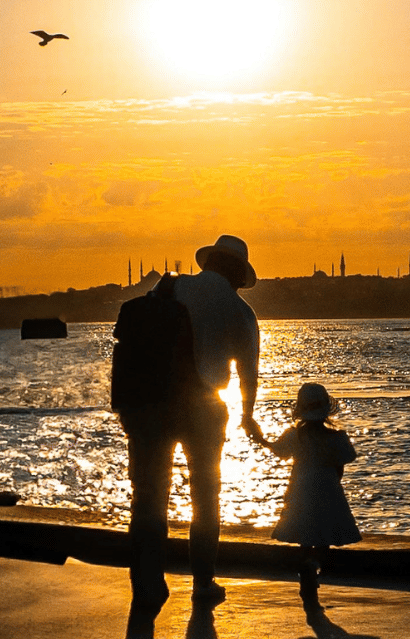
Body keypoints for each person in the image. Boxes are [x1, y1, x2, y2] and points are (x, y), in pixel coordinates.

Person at [121, 234, 261, 612]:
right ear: (237, 273)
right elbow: (249, 375)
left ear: (209, 262)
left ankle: (147, 584)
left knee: (148, 497)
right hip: (202, 408)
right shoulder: (240, 311)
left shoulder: (167, 286)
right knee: (205, 497)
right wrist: (248, 417)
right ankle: (203, 582)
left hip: (149, 404)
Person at [248, 382, 361, 614]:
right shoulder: (336, 437)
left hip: (300, 489)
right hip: (328, 488)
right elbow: (343, 463)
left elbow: (277, 450)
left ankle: (305, 569)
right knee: (324, 537)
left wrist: (259, 438)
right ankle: (314, 565)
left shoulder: (294, 437)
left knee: (304, 536)